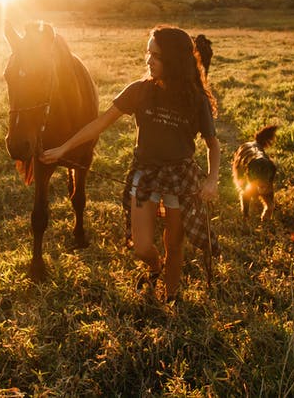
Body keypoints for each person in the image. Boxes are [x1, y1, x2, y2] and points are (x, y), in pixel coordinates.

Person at [40, 25, 220, 303]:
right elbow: (99, 123)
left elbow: (213, 144)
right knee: (141, 247)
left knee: (174, 245)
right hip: (145, 175)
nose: (149, 60)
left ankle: (171, 298)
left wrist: (211, 180)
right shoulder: (139, 91)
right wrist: (64, 148)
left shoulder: (195, 100)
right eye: (148, 52)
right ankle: (153, 266)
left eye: (156, 55)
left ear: (174, 59)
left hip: (179, 178)